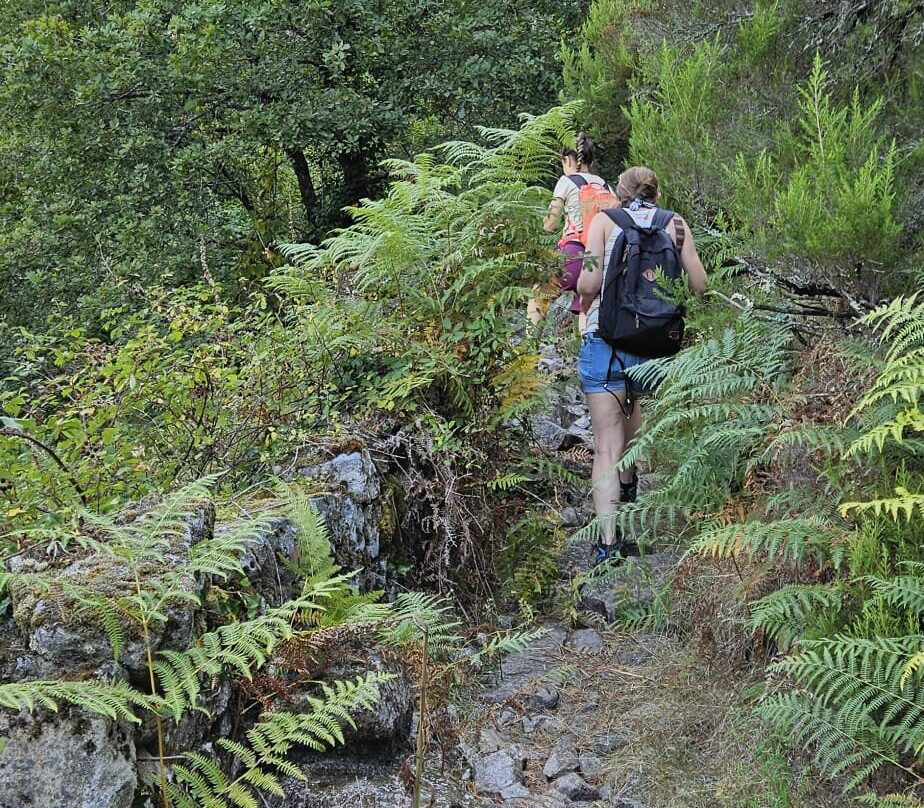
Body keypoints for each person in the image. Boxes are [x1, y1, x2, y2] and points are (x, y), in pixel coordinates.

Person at [576, 166, 708, 564]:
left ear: (619, 192)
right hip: (655, 350)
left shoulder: (603, 221)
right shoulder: (676, 225)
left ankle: (607, 545)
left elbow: (586, 284)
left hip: (607, 343)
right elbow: (701, 286)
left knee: (606, 446)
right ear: (656, 191)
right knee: (634, 424)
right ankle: (629, 486)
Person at [528, 133, 611, 332]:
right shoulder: (606, 186)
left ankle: (530, 356)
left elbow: (550, 224)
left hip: (573, 256)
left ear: (567, 160)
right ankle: (589, 357)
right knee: (587, 307)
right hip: (602, 260)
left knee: (538, 294)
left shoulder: (567, 182)